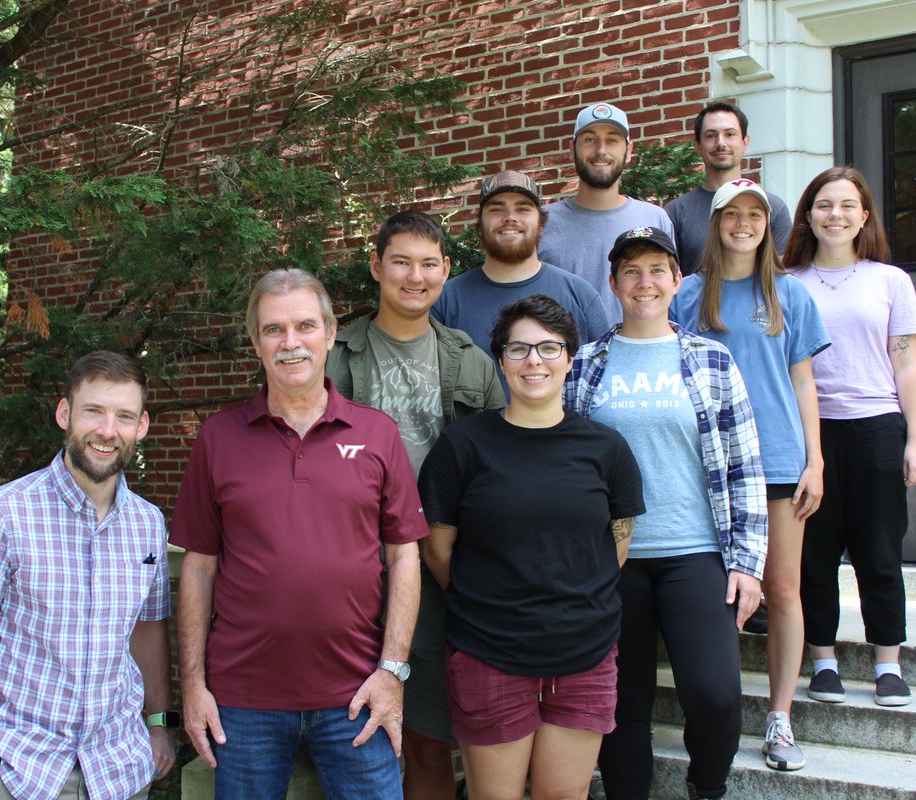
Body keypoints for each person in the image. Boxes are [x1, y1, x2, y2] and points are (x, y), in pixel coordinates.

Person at [172, 269, 427, 799]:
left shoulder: (377, 433)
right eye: (274, 330)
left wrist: (393, 672)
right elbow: (198, 567)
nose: (291, 343)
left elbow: (405, 557)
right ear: (255, 343)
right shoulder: (218, 438)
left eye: (305, 326)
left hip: (357, 694)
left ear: (331, 334)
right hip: (244, 702)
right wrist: (193, 686)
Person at [565, 228, 768, 800]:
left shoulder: (710, 359)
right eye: (631, 271)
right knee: (621, 702)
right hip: (613, 560)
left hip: (695, 552)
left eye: (657, 269)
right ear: (613, 283)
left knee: (714, 692)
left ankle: (707, 786)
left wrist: (748, 563)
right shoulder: (585, 364)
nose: (644, 282)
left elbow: (743, 464)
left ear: (677, 281)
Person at [419, 295, 645, 800]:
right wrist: (493, 605)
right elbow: (438, 551)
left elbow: (617, 549)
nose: (534, 361)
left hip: (584, 653)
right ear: (500, 360)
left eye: (549, 347)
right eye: (519, 349)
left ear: (570, 357)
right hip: (489, 652)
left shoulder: (607, 449)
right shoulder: (462, 446)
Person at [0, 351, 175, 800]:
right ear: (65, 414)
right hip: (24, 775)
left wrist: (159, 724)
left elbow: (147, 627)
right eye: (93, 411)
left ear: (141, 426)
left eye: (124, 416)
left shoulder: (148, 523)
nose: (107, 430)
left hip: (120, 770)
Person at [325, 209, 505, 800]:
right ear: (376, 266)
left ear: (447, 272)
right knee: (346, 724)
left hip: (436, 566)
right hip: (349, 565)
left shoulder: (471, 361)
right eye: (400, 262)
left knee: (427, 734)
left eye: (429, 264)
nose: (414, 276)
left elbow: (499, 464)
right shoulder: (334, 358)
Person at [671, 179, 829, 771]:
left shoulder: (792, 294)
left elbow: (804, 382)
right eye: (731, 214)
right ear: (714, 223)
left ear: (770, 224)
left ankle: (781, 717)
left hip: (781, 462)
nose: (743, 223)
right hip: (709, 466)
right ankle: (716, 713)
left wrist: (814, 460)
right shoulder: (688, 294)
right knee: (718, 593)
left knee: (783, 590)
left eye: (754, 214)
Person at [784, 166, 916, 709]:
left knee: (880, 552)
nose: (835, 215)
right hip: (811, 432)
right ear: (809, 215)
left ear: (864, 216)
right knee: (815, 555)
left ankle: (888, 663)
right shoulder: (787, 283)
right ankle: (823, 660)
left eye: (847, 205)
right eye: (824, 205)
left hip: (876, 429)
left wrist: (915, 440)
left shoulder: (890, 281)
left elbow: (908, 366)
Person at [432, 169, 609, 395]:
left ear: (541, 224)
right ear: (479, 227)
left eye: (523, 208)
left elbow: (604, 383)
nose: (510, 217)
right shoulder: (446, 299)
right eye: (497, 209)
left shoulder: (580, 295)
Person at [540, 101, 675, 325]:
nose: (601, 151)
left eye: (612, 140)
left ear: (629, 151)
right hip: (564, 358)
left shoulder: (655, 219)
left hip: (637, 356)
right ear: (572, 148)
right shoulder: (542, 222)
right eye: (590, 140)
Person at [666, 101, 792, 276]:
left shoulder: (773, 208)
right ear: (698, 146)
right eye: (710, 136)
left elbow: (780, 279)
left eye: (730, 134)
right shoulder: (676, 212)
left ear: (745, 142)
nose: (720, 143)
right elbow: (668, 278)